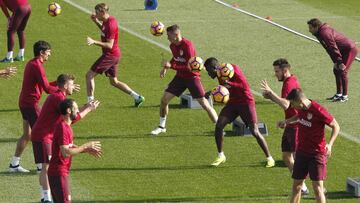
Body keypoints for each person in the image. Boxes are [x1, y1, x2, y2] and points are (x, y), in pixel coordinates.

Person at [31, 74, 98, 203]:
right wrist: (89, 109)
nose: (75, 87)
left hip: (48, 135)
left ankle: (47, 197)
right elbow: (73, 118)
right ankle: (45, 197)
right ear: (65, 86)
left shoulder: (60, 97)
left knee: (47, 166)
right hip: (42, 136)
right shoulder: (58, 98)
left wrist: (85, 107)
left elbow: (72, 113)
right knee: (45, 167)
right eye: (72, 84)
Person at [204, 57, 274, 167]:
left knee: (254, 131)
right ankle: (221, 155)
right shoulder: (220, 73)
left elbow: (244, 86)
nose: (208, 74)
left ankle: (270, 158)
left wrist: (230, 84)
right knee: (219, 126)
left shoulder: (232, 69)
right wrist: (212, 92)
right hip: (232, 103)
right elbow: (224, 87)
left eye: (208, 71)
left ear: (214, 68)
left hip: (246, 102)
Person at [150, 25, 218, 135]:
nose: (167, 37)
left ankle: (218, 127)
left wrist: (171, 66)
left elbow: (190, 67)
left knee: (204, 103)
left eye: (169, 35)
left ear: (176, 35)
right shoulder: (172, 45)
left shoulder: (188, 45)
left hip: (192, 77)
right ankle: (161, 126)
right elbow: (175, 58)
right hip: (180, 77)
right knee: (164, 100)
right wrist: (166, 67)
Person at [277, 88, 339, 203]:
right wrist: (287, 121)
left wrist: (330, 145)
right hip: (301, 153)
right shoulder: (301, 108)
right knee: (297, 186)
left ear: (299, 101)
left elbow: (336, 126)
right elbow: (299, 116)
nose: (292, 107)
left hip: (317, 154)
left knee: (318, 188)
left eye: (292, 104)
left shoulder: (318, 110)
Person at [9, 41, 58, 173]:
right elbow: (47, 89)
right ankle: (41, 166)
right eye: (48, 52)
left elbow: (45, 84)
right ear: (41, 53)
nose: (50, 54)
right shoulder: (37, 66)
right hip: (31, 104)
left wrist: (59, 83)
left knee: (27, 135)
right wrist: (62, 88)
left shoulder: (32, 63)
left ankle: (14, 164)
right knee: (40, 134)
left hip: (24, 103)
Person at [260, 58, 308, 194]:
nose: (275, 74)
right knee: (287, 156)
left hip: (296, 126)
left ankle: (314, 186)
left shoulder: (289, 84)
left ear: (285, 70)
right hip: (290, 123)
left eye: (277, 71)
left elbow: (286, 104)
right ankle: (303, 187)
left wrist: (271, 94)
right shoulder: (290, 81)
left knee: (299, 159)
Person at [86, 3, 144, 106]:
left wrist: (94, 41)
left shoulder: (111, 24)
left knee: (89, 75)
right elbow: (105, 31)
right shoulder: (106, 21)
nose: (95, 13)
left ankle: (90, 102)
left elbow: (109, 45)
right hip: (114, 55)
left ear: (103, 12)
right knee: (114, 82)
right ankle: (137, 97)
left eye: (97, 12)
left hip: (110, 55)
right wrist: (96, 21)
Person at [48, 99, 102, 203]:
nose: (78, 111)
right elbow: (66, 153)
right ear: (69, 110)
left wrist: (86, 149)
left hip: (58, 172)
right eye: (76, 108)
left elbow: (68, 147)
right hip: (58, 172)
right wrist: (85, 146)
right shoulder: (63, 128)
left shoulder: (65, 127)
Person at [307, 18, 358, 102]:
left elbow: (333, 47)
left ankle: (345, 96)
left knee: (342, 71)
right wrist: (335, 62)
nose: (309, 30)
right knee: (336, 70)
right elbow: (328, 49)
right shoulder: (319, 33)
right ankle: (338, 94)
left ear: (316, 27)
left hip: (350, 49)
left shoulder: (324, 33)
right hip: (342, 50)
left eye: (310, 28)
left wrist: (340, 62)